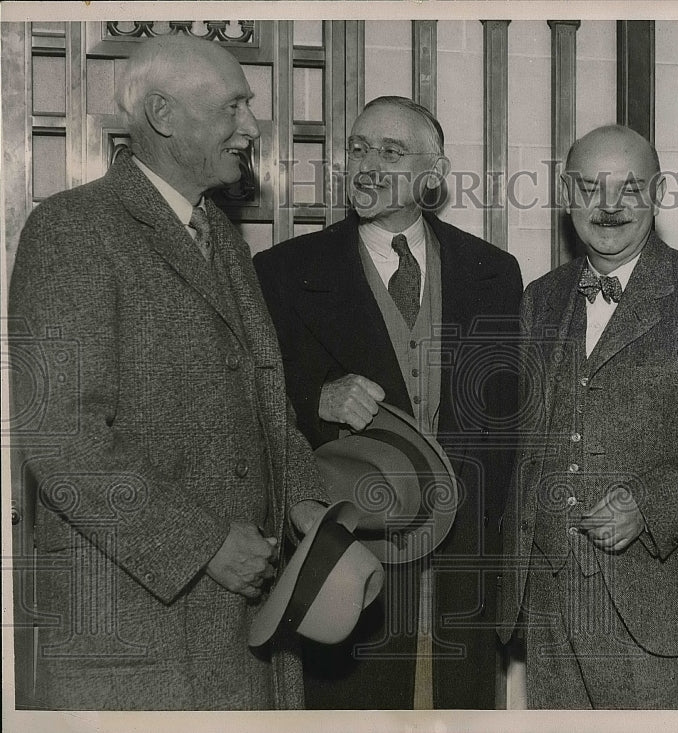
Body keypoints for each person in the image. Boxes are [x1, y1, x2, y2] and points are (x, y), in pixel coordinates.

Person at [7, 35, 330, 710]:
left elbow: (269, 402)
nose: (250, 126)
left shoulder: (223, 238)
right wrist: (204, 543)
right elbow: (61, 439)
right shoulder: (71, 230)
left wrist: (308, 503)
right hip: (140, 637)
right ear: (162, 113)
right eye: (234, 106)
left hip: (244, 631)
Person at [253, 96, 523, 709]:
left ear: (433, 174)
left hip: (462, 579)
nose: (367, 166)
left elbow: (509, 430)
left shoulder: (495, 272)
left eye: (391, 152)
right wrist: (316, 396)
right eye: (357, 149)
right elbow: (250, 401)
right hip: (354, 561)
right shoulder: (283, 271)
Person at [496, 124, 678, 709]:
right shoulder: (540, 297)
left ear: (659, 192)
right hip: (550, 609)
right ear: (568, 194)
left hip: (659, 613)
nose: (608, 207)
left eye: (629, 189)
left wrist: (648, 502)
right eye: (590, 188)